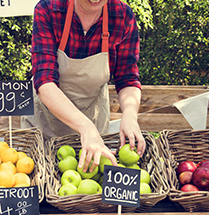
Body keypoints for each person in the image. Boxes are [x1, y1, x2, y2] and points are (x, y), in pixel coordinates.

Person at [21, 0, 146, 172]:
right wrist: (86, 128)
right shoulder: (49, 9)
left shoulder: (122, 16)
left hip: (93, 118)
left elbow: (127, 77)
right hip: (45, 120)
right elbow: (45, 81)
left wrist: (130, 116)